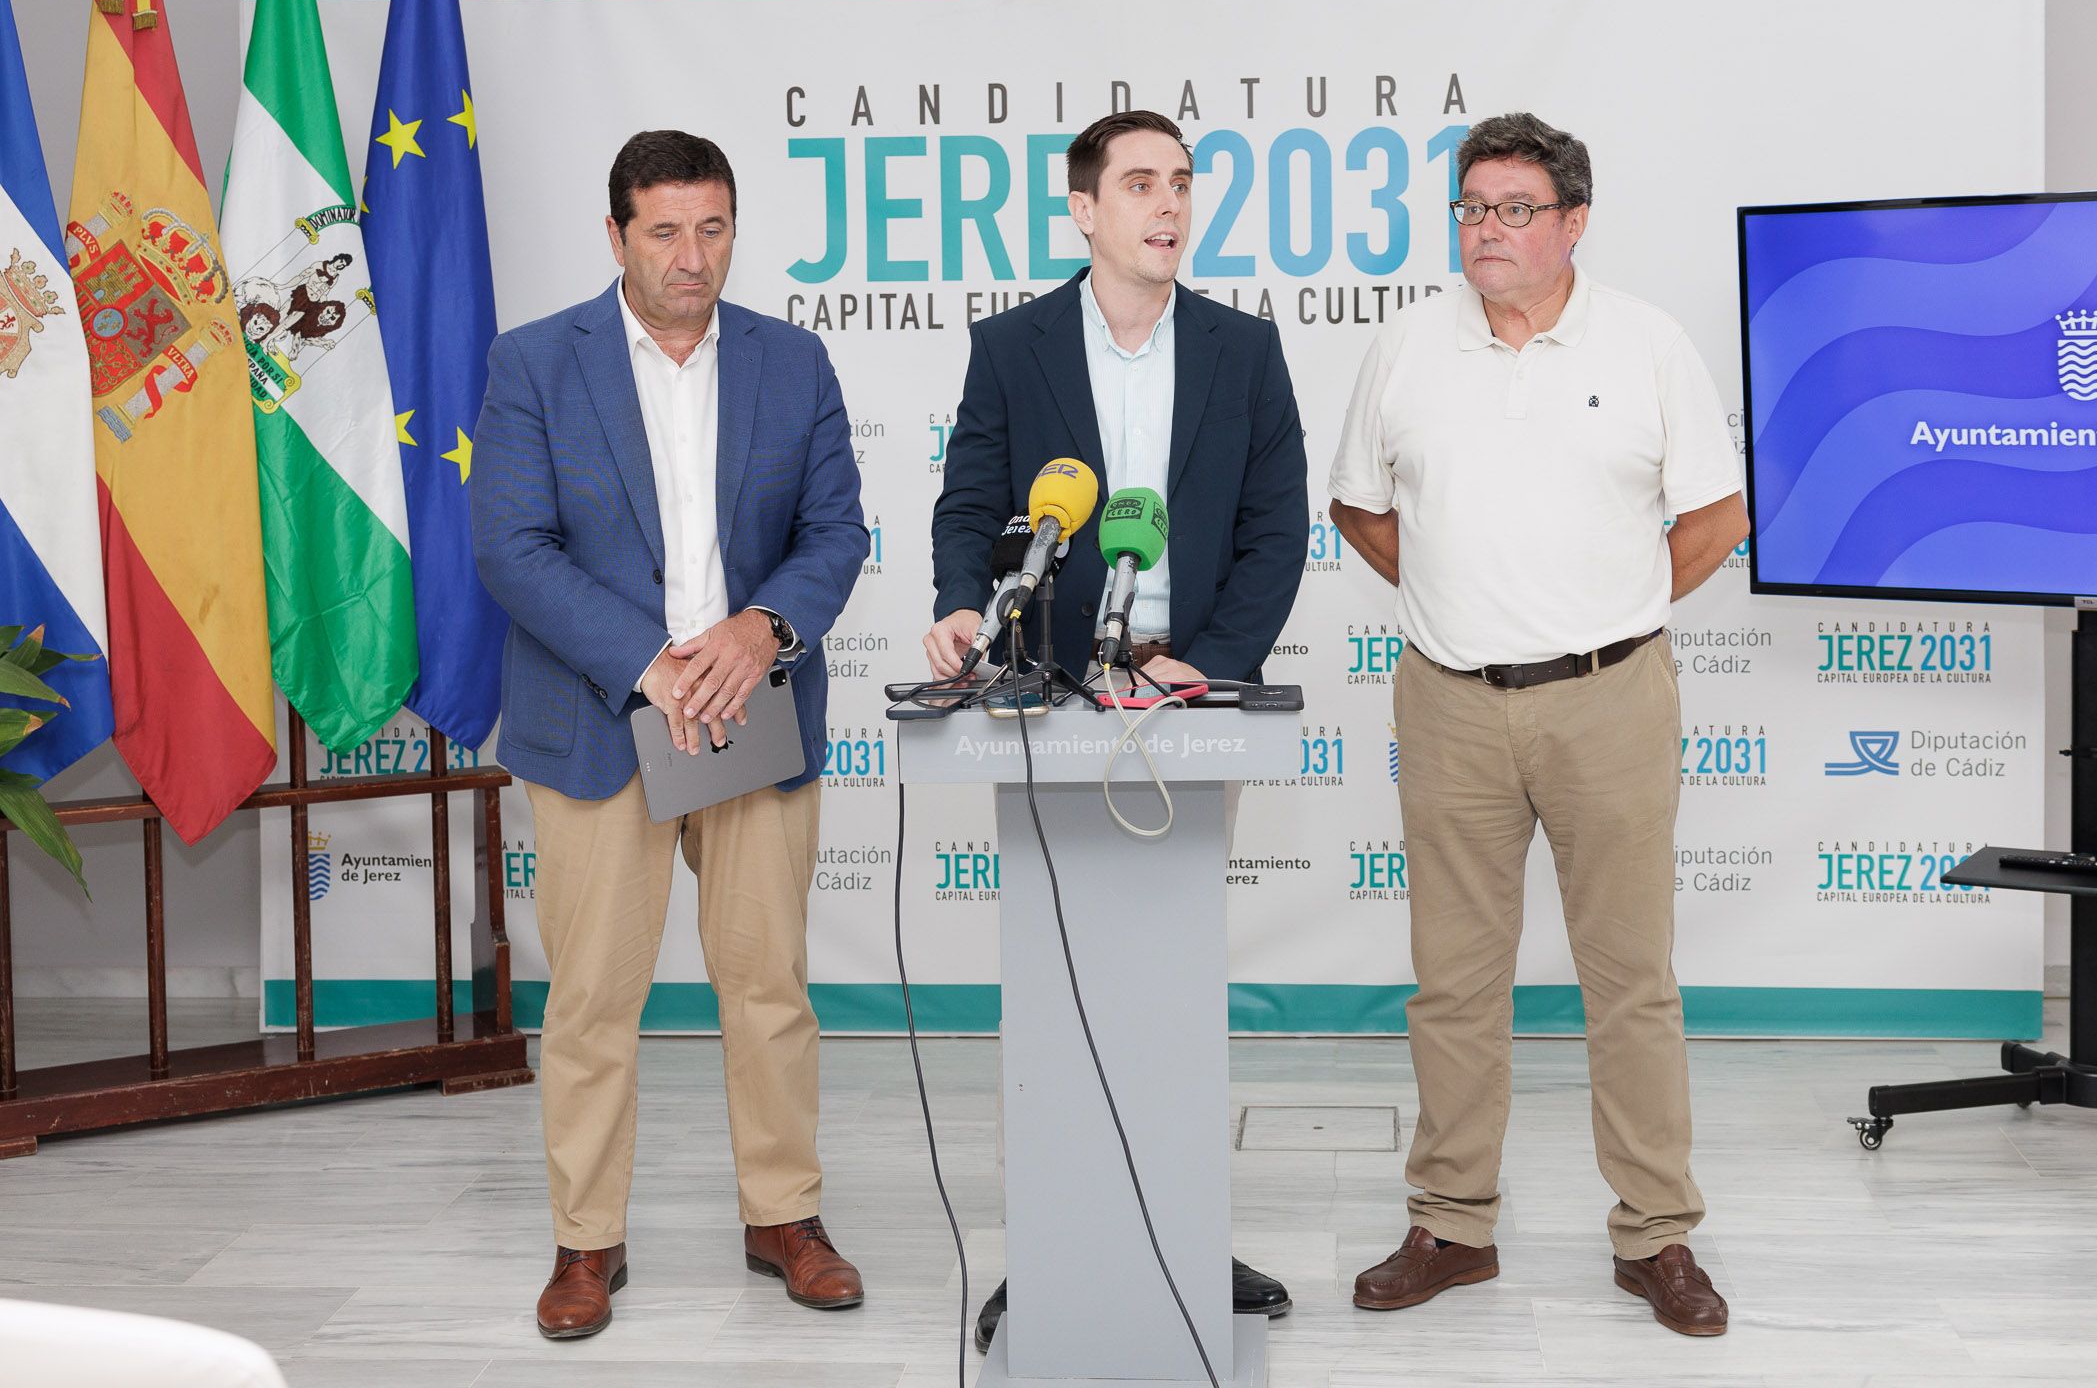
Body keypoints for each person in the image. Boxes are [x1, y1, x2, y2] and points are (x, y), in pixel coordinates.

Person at [1327, 111, 1750, 1338]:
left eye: (1515, 209)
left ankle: (1656, 1235)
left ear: (1573, 222)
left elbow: (1716, 517)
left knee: (1631, 982)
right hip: (1450, 701)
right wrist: (1460, 597)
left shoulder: (1648, 342)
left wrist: (1609, 612)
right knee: (1454, 983)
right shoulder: (1407, 345)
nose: (1488, 230)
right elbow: (1357, 506)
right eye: (1472, 208)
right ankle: (1451, 1225)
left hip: (1610, 698)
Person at [472, 129, 871, 1341]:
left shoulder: (792, 361)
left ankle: (784, 1217)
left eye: (712, 229)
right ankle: (586, 1242)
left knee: (768, 985)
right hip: (602, 719)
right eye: (664, 231)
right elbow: (512, 548)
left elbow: (836, 530)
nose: (692, 256)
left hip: (753, 710)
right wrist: (653, 664)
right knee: (593, 998)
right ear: (617, 236)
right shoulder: (536, 362)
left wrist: (761, 630)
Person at [923, 108, 1307, 1352]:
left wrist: (1208, 664)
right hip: (1054, 695)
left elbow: (1275, 530)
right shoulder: (1013, 347)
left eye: (1182, 182)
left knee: (1171, 984)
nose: (1169, 203)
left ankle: (1179, 1234)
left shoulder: (1245, 350)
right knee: (1055, 992)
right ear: (1083, 208)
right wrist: (960, 606)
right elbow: (971, 506)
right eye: (1140, 183)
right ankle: (1054, 1246)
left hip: (1191, 698)